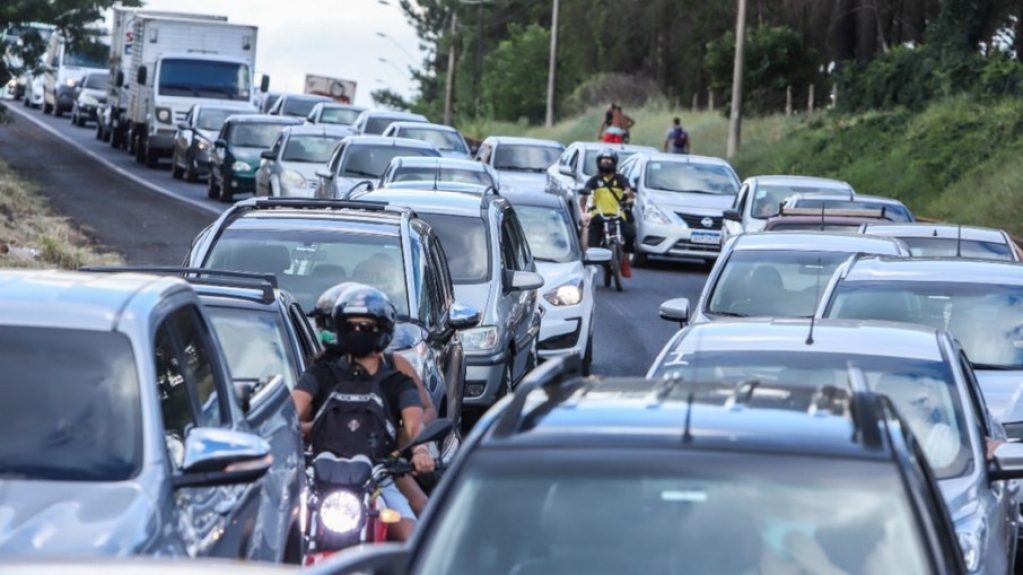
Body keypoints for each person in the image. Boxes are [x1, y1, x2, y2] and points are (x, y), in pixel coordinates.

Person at [291, 282, 436, 542]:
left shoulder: (397, 380)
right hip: (320, 477)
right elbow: (290, 412)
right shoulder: (320, 373)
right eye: (350, 326)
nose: (358, 332)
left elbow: (416, 420)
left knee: (413, 538)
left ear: (384, 331)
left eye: (366, 327)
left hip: (378, 477)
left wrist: (420, 450)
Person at [578, 148, 636, 278]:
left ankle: (625, 261)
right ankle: (588, 266)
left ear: (614, 162)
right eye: (603, 159)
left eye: (609, 159)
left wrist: (627, 199)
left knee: (630, 234)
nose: (606, 162)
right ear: (599, 162)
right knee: (591, 242)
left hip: (618, 214)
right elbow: (584, 197)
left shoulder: (621, 179)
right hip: (599, 214)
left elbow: (629, 193)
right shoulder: (594, 180)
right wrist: (583, 211)